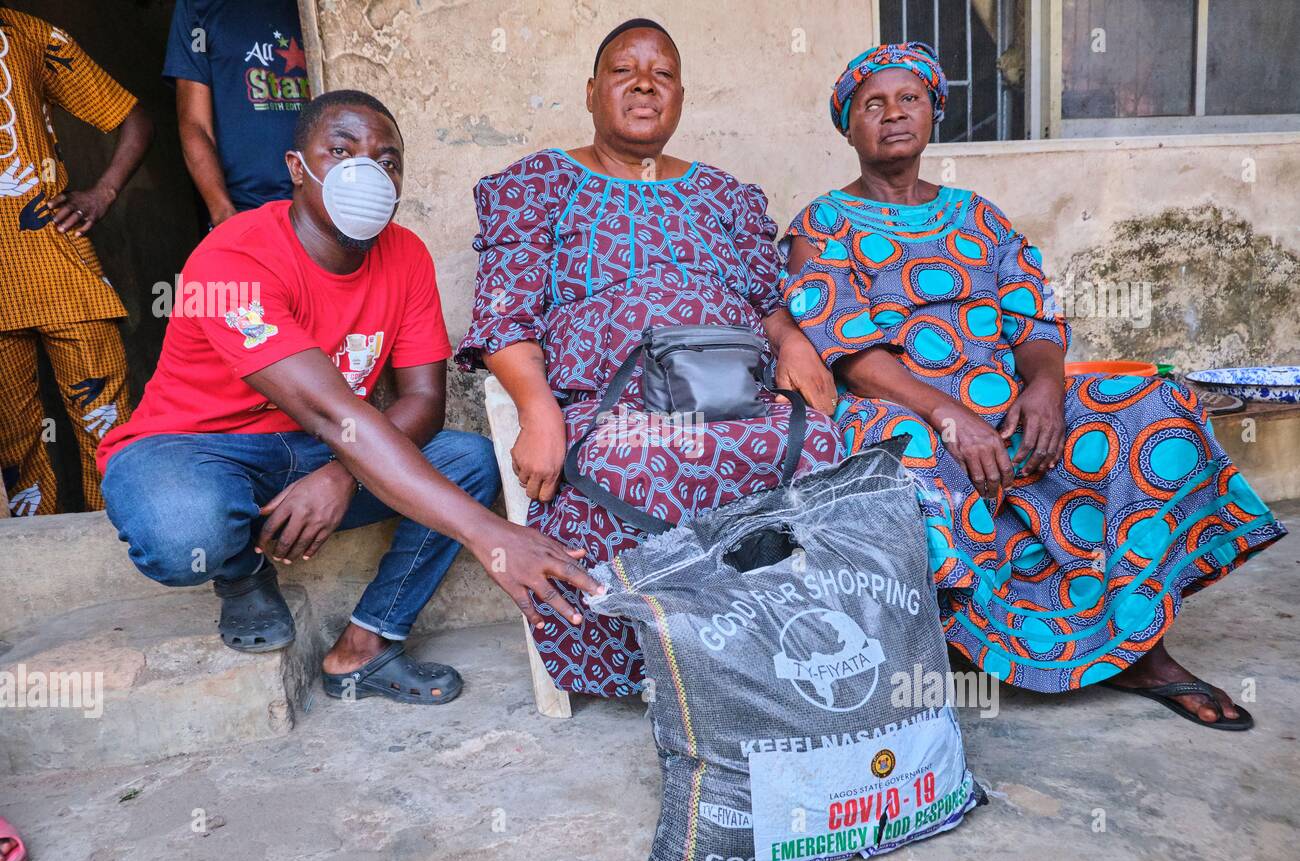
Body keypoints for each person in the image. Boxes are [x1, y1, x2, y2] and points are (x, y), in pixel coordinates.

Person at [781, 42, 1287, 729]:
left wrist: (1046, 388)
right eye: (873, 104)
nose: (894, 114)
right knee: (915, 458)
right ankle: (978, 650)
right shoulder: (822, 225)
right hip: (897, 405)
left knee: (1156, 407)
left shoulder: (980, 217)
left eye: (910, 99)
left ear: (934, 112)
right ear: (848, 126)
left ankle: (1141, 646)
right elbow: (847, 353)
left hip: (1006, 399)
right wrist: (951, 416)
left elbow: (1035, 319)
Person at [98, 89, 601, 705]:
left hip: (319, 447)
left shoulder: (406, 255)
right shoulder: (234, 255)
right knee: (183, 534)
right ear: (296, 167)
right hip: (196, 450)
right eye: (342, 151)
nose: (368, 171)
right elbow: (333, 413)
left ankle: (364, 645)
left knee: (465, 460)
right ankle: (239, 568)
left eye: (387, 160)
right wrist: (492, 537)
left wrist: (340, 472)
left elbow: (422, 401)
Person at [457, 19, 843, 698]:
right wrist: (538, 408)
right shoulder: (539, 186)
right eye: (623, 71)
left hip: (736, 398)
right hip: (614, 408)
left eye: (661, 74)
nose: (643, 84)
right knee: (633, 459)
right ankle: (677, 661)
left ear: (682, 97)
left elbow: (765, 298)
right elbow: (503, 318)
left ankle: (783, 647)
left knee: (818, 451)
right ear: (591, 91)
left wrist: (792, 340)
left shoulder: (724, 196)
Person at [0, 5, 151, 515]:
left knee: (107, 426)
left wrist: (102, 193)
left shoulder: (28, 34)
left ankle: (122, 546)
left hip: (58, 264)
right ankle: (38, 571)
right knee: (14, 446)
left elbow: (133, 115)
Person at [164, 0, 311, 226]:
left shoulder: (315, 8)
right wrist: (224, 215)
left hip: (323, 206)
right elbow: (194, 123)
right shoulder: (198, 12)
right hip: (244, 209)